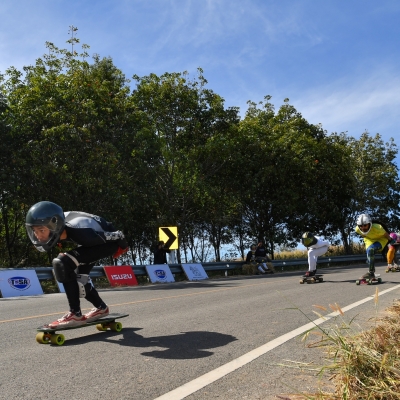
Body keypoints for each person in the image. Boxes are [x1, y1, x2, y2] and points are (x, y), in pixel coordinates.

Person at [26, 201, 128, 328]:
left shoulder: (80, 231)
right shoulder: (61, 223)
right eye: (34, 230)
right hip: (90, 243)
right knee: (80, 282)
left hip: (105, 243)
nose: (38, 235)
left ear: (55, 225)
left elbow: (118, 235)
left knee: (62, 262)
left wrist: (123, 246)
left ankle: (75, 314)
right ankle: (101, 308)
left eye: (41, 230)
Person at [354, 213, 395, 279]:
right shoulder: (357, 229)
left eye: (365, 225)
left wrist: (391, 240)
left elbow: (386, 235)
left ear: (369, 223)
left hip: (381, 239)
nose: (363, 228)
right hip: (369, 240)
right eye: (361, 226)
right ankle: (372, 272)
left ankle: (371, 272)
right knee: (369, 256)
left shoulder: (378, 228)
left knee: (371, 250)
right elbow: (363, 235)